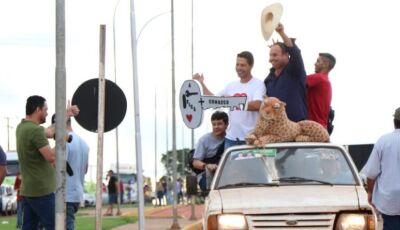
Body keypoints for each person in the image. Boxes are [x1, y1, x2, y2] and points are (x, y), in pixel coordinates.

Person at [193, 51, 266, 148]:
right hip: (231, 140)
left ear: (251, 66)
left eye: (243, 65)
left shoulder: (258, 84)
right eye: (237, 64)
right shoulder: (231, 86)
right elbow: (213, 100)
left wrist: (231, 101)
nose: (239, 68)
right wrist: (201, 84)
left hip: (252, 139)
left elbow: (257, 105)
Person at [16, 95, 56, 230]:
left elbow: (50, 132)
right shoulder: (35, 131)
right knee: (57, 226)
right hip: (42, 191)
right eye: (46, 109)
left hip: (29, 190)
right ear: (38, 110)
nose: (47, 113)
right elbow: (51, 157)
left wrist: (65, 115)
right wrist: (62, 142)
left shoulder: (22, 127)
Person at [361, 107, 400, 230]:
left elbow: (371, 174)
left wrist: (370, 193)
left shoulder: (383, 141)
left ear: (394, 122)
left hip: (390, 201)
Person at [264, 23, 307, 122]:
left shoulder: (295, 70)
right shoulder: (268, 79)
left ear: (286, 55)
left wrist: (281, 32)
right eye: (270, 55)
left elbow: (295, 53)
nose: (271, 59)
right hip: (276, 128)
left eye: (275, 55)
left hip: (297, 127)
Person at [63, 116, 89, 230]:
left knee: (66, 225)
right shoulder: (84, 143)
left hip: (66, 193)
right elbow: (85, 169)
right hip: (77, 192)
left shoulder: (66, 141)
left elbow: (60, 166)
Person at [192, 111, 228, 192]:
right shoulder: (203, 140)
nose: (216, 126)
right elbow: (195, 162)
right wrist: (207, 166)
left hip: (228, 175)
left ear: (226, 124)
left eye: (219, 124)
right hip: (208, 176)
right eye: (214, 124)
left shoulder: (231, 139)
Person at [306, 53, 336, 129]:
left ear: (326, 64)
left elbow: (296, 81)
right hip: (321, 126)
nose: (315, 63)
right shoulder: (325, 80)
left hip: (313, 126)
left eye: (318, 61)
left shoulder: (319, 78)